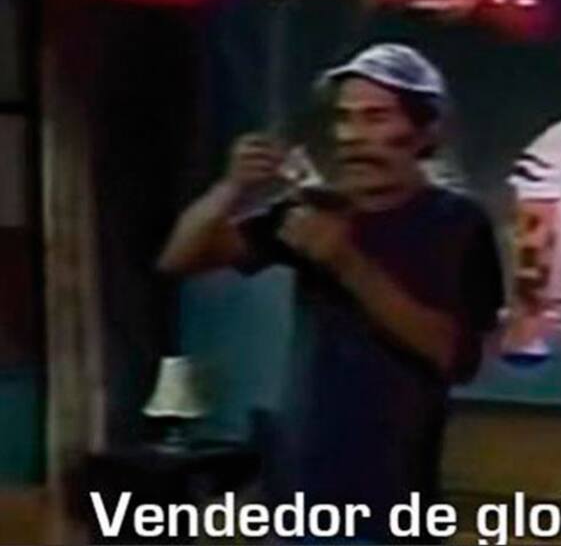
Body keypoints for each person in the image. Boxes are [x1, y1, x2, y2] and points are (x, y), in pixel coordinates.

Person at [157, 43, 504, 542]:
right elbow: (179, 259)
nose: (352, 137)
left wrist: (346, 263)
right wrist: (231, 187)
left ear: (425, 131)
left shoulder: (457, 222)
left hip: (391, 503)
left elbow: (457, 357)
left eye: (375, 118)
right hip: (297, 492)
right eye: (344, 119)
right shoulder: (317, 208)